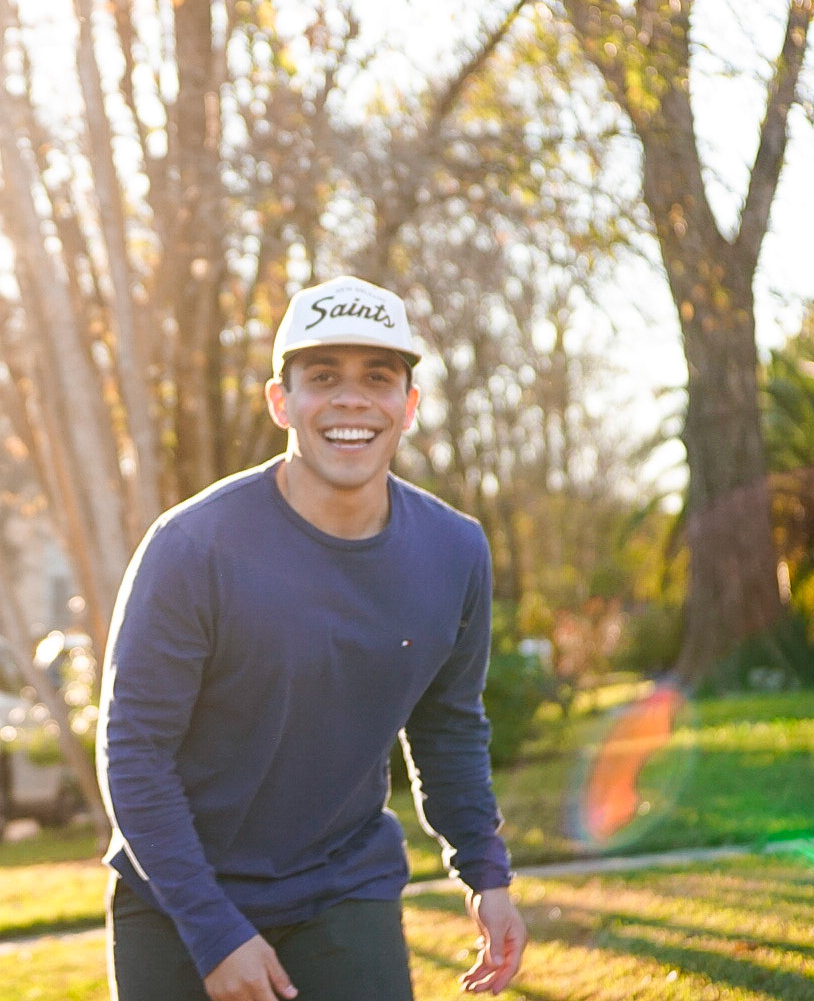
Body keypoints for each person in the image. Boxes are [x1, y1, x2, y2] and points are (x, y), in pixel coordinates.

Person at [98, 275, 526, 1001]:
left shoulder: (456, 552)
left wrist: (485, 871)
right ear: (281, 402)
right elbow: (134, 753)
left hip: (342, 888)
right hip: (180, 898)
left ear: (409, 406)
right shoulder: (193, 547)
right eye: (323, 377)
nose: (351, 400)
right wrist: (214, 930)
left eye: (378, 378)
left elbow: (448, 725)